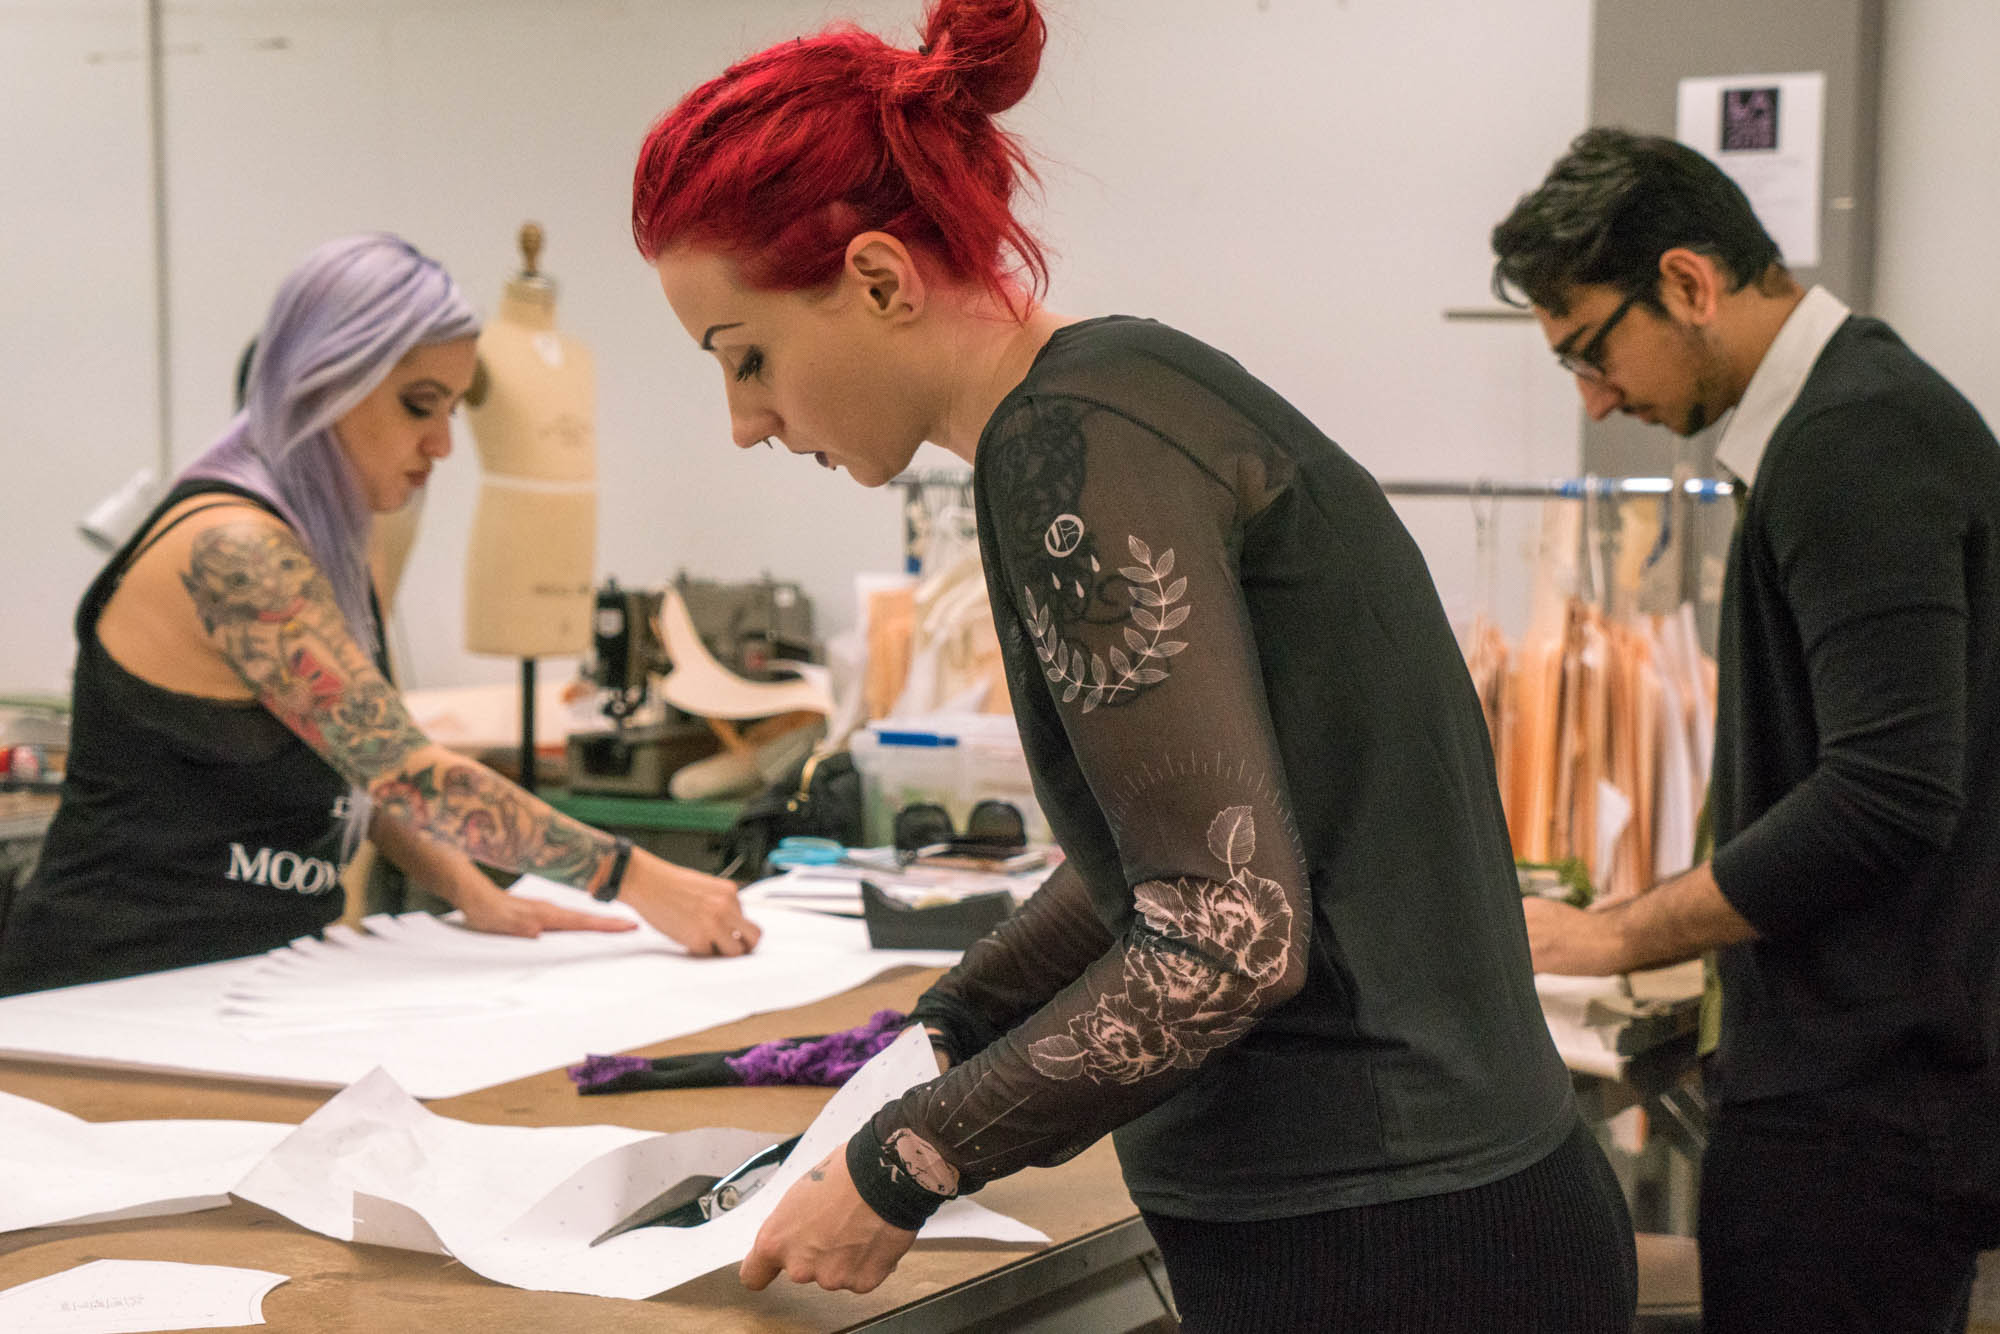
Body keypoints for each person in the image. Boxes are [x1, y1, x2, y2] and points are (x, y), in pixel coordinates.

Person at [631, 4, 1636, 1328]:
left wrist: (905, 1159)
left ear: (879, 279)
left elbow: (1223, 935)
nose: (747, 421)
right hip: (1443, 1209)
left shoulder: (1066, 455)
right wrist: (954, 1019)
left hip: (1386, 1242)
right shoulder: (1129, 389)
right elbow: (1163, 847)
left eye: (745, 357)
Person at [1493, 128, 2000, 1332]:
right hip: (1874, 1083)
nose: (1595, 399)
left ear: (1684, 281)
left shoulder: (1850, 439)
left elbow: (1880, 797)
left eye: (1589, 352)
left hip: (1861, 1106)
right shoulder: (1855, 416)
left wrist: (1607, 932)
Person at [0, 234, 759, 996]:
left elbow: (362, 765)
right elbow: (408, 775)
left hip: (230, 977)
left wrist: (474, 893)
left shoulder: (320, 544)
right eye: (418, 405)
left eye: (454, 409)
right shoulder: (238, 553)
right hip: (109, 986)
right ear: (320, 381)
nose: (442, 444)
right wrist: (638, 879)